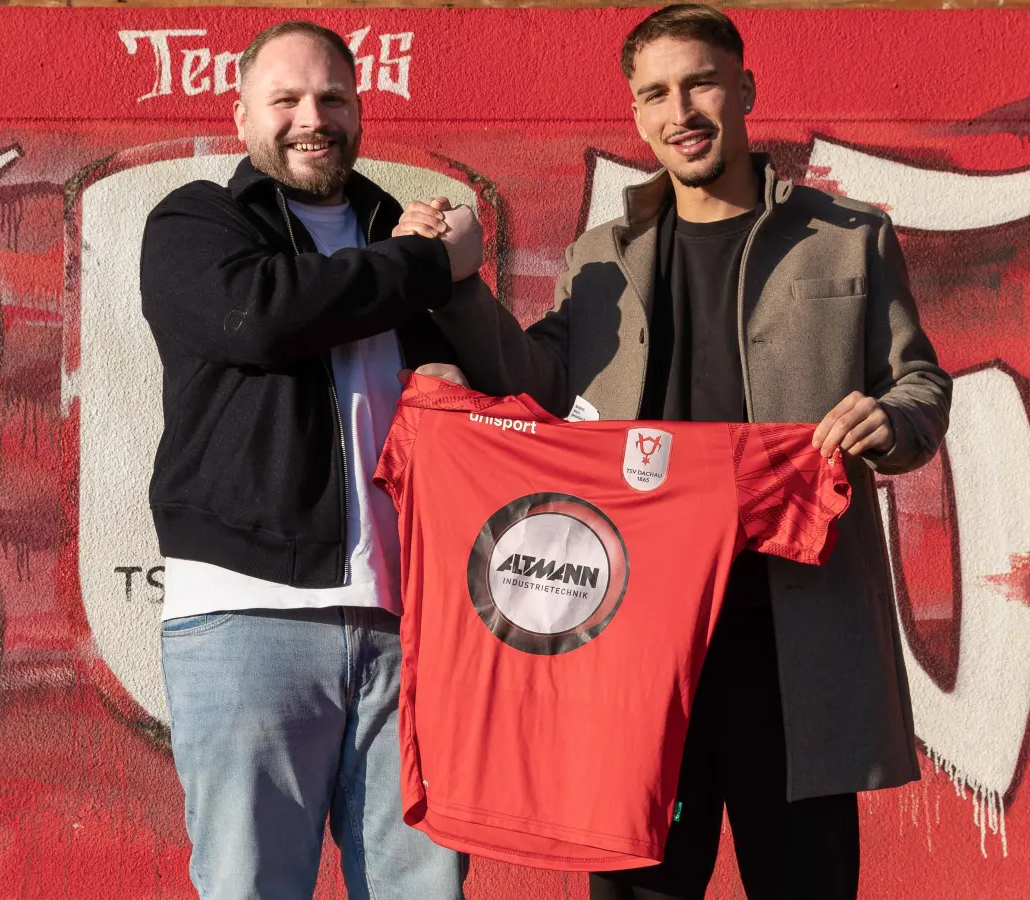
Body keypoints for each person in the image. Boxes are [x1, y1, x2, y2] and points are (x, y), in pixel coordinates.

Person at [396, 5, 951, 898]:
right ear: (638, 115)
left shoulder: (847, 236)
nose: (679, 110)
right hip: (633, 657)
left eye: (699, 83)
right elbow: (538, 381)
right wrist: (454, 287)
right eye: (654, 93)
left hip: (794, 640)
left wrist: (891, 423)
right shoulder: (601, 258)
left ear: (745, 91)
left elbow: (919, 383)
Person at [138, 19, 480, 900]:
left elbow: (496, 394)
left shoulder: (402, 236)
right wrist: (422, 263)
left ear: (360, 108)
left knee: (422, 891)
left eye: (331, 97)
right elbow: (267, 316)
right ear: (242, 112)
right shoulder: (197, 221)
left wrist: (450, 295)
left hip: (416, 623)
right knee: (253, 887)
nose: (310, 117)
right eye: (285, 98)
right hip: (251, 617)